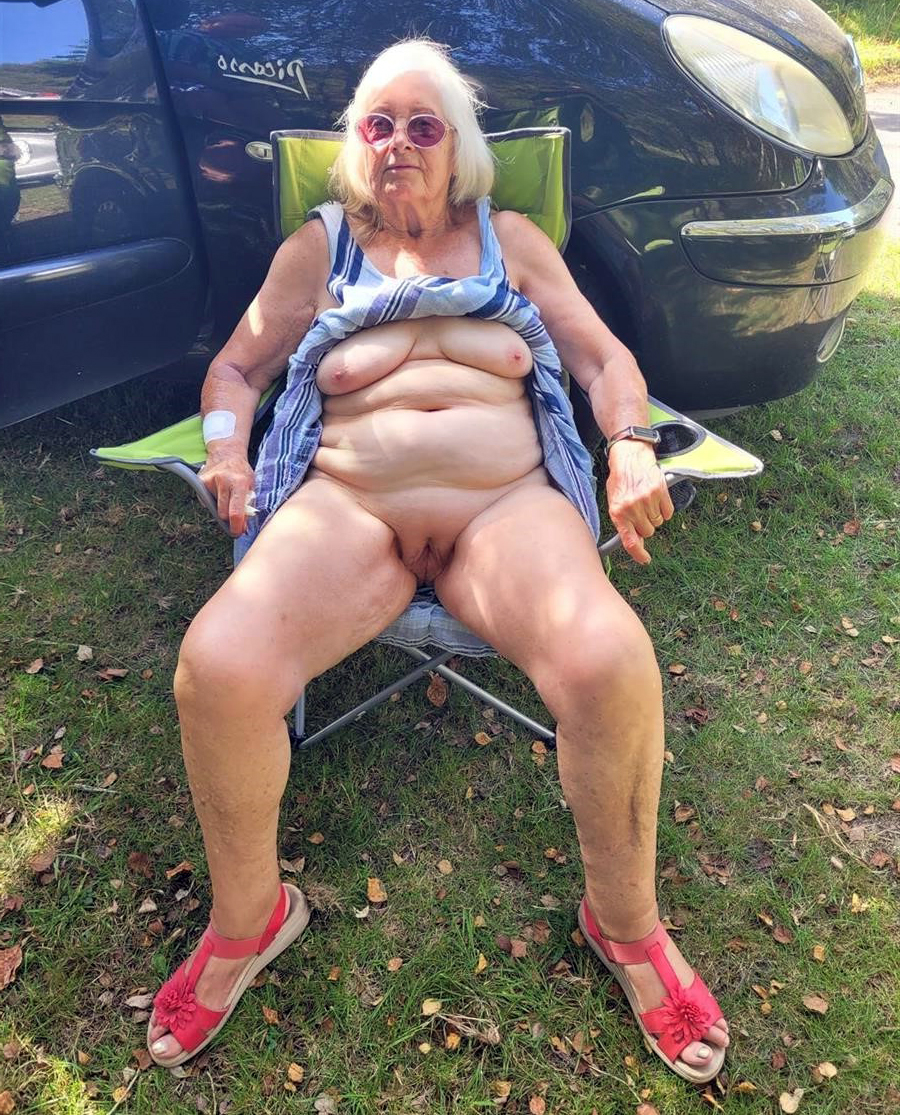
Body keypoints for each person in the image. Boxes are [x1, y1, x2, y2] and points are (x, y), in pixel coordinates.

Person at [146, 38, 730, 1083]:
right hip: (347, 510)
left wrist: (632, 442)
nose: (399, 143)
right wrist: (228, 447)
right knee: (217, 666)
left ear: (458, 147)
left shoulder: (512, 241)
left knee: (609, 661)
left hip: (505, 509)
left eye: (424, 125)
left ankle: (626, 924)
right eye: (378, 124)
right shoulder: (320, 248)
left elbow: (602, 358)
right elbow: (237, 366)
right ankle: (248, 919)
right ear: (354, 146)